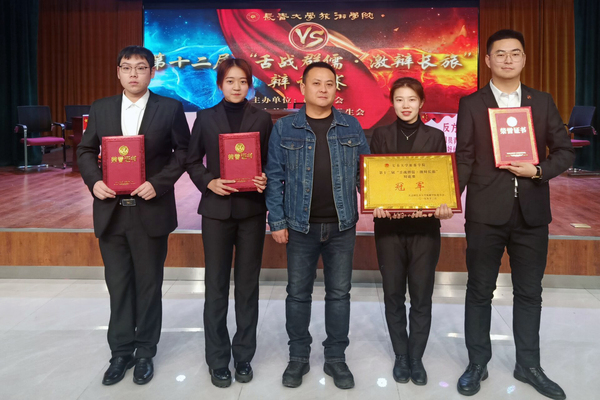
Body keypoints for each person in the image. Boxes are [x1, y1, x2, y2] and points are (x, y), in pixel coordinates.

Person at [455, 29, 573, 399]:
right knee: (479, 290)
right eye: (501, 53)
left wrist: (538, 170)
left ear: (523, 59)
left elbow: (565, 151)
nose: (508, 59)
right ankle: (477, 362)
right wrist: (448, 199)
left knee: (529, 292)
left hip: (532, 213)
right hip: (485, 212)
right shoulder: (472, 103)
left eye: (515, 53)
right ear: (488, 60)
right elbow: (465, 157)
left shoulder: (542, 101)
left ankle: (529, 365)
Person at [77, 45, 190, 385]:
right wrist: (94, 182)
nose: (134, 74)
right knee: (118, 284)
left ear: (152, 72)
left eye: (141, 68)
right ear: (118, 72)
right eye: (127, 68)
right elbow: (85, 150)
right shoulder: (101, 108)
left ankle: (144, 352)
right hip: (111, 211)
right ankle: (120, 352)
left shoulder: (169, 108)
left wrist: (159, 183)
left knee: (149, 284)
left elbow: (183, 152)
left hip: (150, 210)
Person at [265, 61, 370, 390]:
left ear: (336, 88)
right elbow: (274, 178)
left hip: (342, 226)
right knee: (298, 294)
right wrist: (277, 220)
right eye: (316, 83)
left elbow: (366, 174)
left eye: (329, 83)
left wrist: (383, 199)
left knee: (339, 295)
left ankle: (336, 358)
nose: (323, 89)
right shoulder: (285, 128)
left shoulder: (351, 126)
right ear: (302, 87)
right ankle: (298, 357)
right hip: (299, 226)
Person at [186, 58, 272, 388]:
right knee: (216, 286)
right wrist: (209, 182)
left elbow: (270, 161)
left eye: (242, 81)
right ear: (219, 84)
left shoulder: (261, 118)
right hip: (216, 212)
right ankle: (218, 359)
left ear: (250, 84)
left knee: (248, 287)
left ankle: (244, 355)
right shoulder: (205, 117)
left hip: (251, 212)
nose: (237, 87)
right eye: (230, 81)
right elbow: (192, 160)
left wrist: (264, 178)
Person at [370, 77, 453, 386]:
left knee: (421, 295)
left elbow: (440, 179)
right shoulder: (380, 135)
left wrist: (444, 203)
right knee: (393, 294)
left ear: (421, 103)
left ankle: (416, 357)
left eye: (411, 99)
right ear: (392, 103)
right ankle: (400, 355)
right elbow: (370, 179)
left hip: (425, 229)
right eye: (399, 99)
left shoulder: (435, 137)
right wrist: (373, 203)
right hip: (388, 228)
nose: (405, 105)